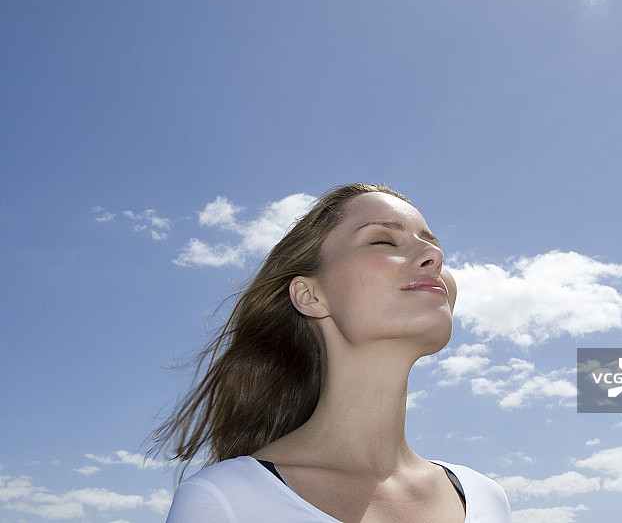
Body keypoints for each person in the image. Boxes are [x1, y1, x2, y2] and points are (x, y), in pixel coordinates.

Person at [156, 183, 511, 522]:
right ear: (309, 296)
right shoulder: (226, 500)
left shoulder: (484, 498)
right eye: (384, 239)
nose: (435, 255)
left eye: (433, 244)